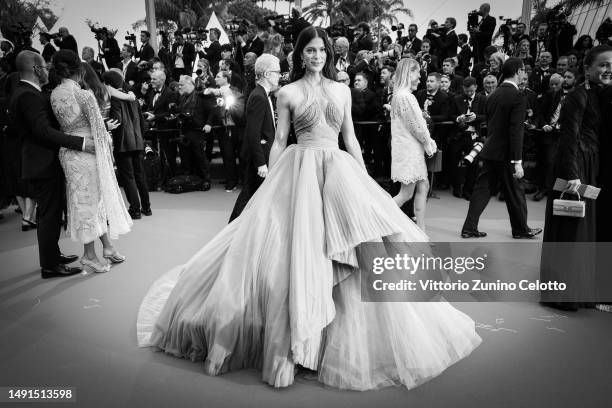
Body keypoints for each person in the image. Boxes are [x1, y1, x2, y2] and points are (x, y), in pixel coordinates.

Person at [137, 26, 481, 390]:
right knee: (294, 249)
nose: (317, 56)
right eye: (311, 51)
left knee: (350, 248)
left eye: (322, 51)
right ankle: (294, 341)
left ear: (328, 54)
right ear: (299, 55)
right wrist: (269, 178)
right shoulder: (286, 92)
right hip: (297, 172)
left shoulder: (342, 90)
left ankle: (326, 339)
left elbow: (350, 138)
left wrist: (365, 184)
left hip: (338, 171)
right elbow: (281, 139)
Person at [8, 51, 93, 278]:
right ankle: (49, 265)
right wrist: (81, 142)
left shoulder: (26, 93)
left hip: (40, 162)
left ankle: (53, 256)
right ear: (36, 69)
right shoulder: (27, 95)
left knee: (51, 214)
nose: (48, 70)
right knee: (49, 216)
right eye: (44, 67)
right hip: (41, 164)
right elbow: (43, 131)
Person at [540, 45, 612, 311]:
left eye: (611, 65)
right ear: (587, 68)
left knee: (584, 233)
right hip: (576, 165)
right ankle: (562, 295)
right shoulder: (577, 96)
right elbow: (569, 136)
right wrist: (573, 175)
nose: (607, 70)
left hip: (590, 164)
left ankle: (580, 292)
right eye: (603, 65)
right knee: (572, 229)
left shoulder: (599, 94)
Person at [49, 50, 132, 273]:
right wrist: (109, 154)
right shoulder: (84, 95)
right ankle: (89, 255)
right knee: (90, 202)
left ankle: (107, 247)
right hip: (88, 154)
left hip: (68, 154)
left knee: (88, 200)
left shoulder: (54, 94)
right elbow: (98, 129)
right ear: (79, 69)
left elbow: (63, 127)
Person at [461, 58, 542, 239]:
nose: (524, 74)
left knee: (482, 190)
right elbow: (516, 131)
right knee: (515, 191)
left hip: (490, 150)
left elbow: (490, 125)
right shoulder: (518, 96)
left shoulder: (493, 95)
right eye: (523, 70)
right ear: (518, 71)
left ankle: (469, 227)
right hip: (506, 154)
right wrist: (517, 161)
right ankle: (521, 229)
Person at [229, 54, 280, 221]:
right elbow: (253, 132)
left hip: (261, 155)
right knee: (248, 195)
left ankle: (238, 229)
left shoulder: (262, 94)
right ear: (266, 74)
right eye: (277, 72)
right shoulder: (258, 96)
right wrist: (261, 163)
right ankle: (233, 229)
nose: (279, 75)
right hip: (258, 158)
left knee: (251, 195)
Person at [391, 59, 438, 231]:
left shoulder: (400, 96)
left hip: (409, 150)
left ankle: (421, 230)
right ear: (409, 73)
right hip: (409, 151)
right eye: (418, 72)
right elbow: (417, 126)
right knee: (405, 194)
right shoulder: (405, 97)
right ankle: (376, 224)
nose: (420, 77)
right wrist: (429, 143)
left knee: (423, 186)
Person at [102, 70, 152, 219]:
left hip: (123, 143)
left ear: (108, 84)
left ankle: (135, 210)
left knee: (128, 177)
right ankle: (147, 208)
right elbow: (142, 122)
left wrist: (105, 121)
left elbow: (117, 121)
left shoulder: (115, 99)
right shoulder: (133, 97)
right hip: (137, 141)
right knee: (140, 175)